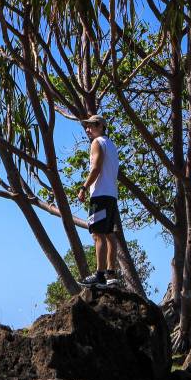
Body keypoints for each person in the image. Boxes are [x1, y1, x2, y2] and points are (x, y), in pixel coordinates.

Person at [77, 114, 122, 287]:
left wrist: (83, 187)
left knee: (97, 234)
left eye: (92, 126)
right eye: (87, 126)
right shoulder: (111, 145)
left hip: (100, 195)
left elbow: (95, 168)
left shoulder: (97, 143)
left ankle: (100, 275)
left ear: (101, 126)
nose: (88, 129)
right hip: (111, 195)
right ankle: (111, 273)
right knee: (110, 234)